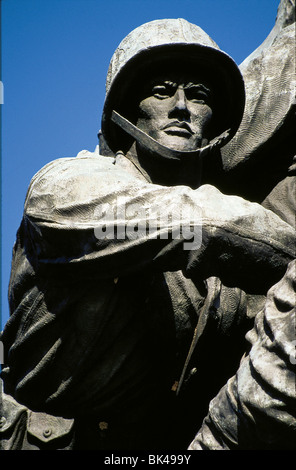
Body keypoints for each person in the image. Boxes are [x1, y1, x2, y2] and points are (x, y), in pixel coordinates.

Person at [0, 19, 295, 450]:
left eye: (199, 96)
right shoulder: (64, 189)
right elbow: (197, 227)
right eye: (162, 91)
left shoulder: (224, 285)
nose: (181, 107)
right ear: (126, 110)